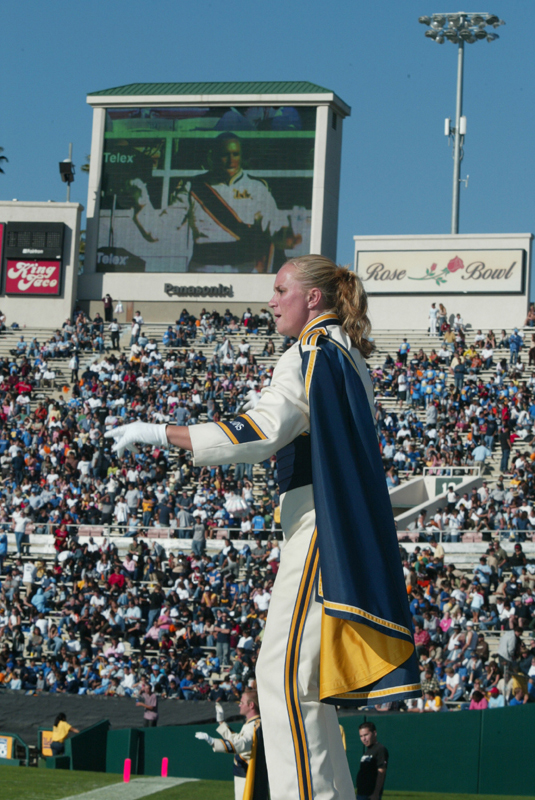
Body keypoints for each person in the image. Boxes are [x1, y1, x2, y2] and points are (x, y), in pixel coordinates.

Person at [106, 254, 420, 800]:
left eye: (280, 289)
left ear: (313, 298)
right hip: (329, 525)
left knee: (285, 682)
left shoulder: (311, 351)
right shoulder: (342, 354)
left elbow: (261, 430)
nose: (270, 300)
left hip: (321, 529)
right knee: (298, 686)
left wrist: (161, 431)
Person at [181, 133, 301, 274]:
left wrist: (285, 235)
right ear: (213, 156)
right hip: (204, 270)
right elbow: (162, 226)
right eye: (225, 155)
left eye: (235, 154)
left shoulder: (257, 187)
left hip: (244, 269)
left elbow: (273, 223)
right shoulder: (193, 186)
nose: (231, 160)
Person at [195, 690, 268, 800]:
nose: (239, 705)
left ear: (251, 705)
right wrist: (221, 722)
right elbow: (237, 739)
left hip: (249, 776)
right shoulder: (252, 724)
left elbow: (241, 744)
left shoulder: (255, 725)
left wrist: (213, 741)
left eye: (242, 703)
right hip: (244, 774)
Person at [355, 721, 388, 800]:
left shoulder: (380, 749)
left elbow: (381, 772)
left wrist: (376, 793)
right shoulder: (368, 751)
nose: (364, 738)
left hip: (370, 795)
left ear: (374, 733)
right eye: (361, 736)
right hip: (361, 792)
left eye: (366, 735)